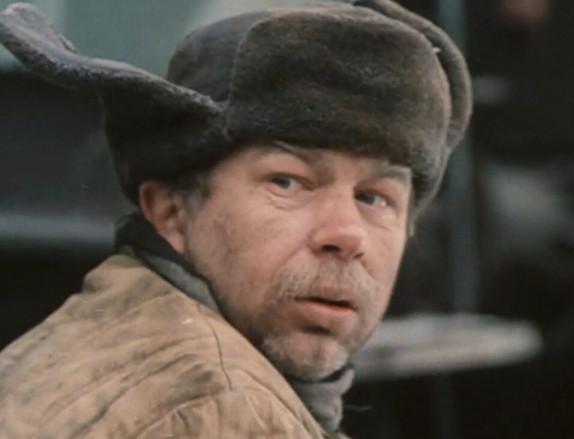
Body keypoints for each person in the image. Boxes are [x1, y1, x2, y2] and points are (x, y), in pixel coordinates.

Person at [0, 0, 471, 437]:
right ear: (170, 210)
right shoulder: (217, 409)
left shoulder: (105, 345)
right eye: (287, 182)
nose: (346, 234)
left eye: (374, 197)